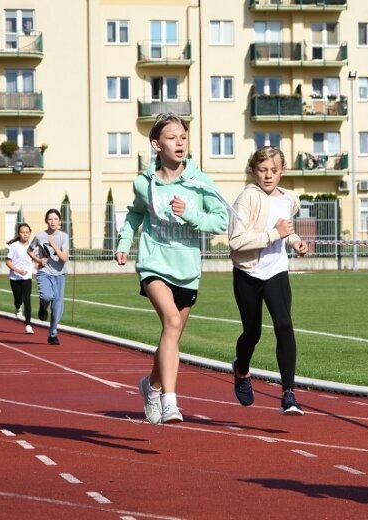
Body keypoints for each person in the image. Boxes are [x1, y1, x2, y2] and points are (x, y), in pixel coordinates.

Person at [115, 112, 229, 425]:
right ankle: (170, 400)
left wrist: (191, 214)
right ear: (156, 144)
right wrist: (125, 244)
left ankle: (150, 386)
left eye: (183, 137)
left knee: (172, 334)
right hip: (153, 263)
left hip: (187, 268)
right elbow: (135, 215)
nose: (179, 143)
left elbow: (221, 220)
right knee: (172, 321)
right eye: (171, 137)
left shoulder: (200, 181)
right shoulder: (144, 183)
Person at [228, 146, 309, 416]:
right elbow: (236, 242)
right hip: (248, 273)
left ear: (282, 171)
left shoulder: (289, 199)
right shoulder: (246, 199)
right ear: (254, 171)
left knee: (284, 325)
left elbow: (286, 230)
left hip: (276, 271)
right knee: (253, 333)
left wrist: (295, 241)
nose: (268, 175)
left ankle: (288, 394)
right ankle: (241, 369)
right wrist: (275, 234)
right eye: (262, 170)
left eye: (274, 171)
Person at [28, 209, 70, 345]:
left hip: (60, 274)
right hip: (44, 272)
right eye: (50, 219)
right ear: (46, 221)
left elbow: (64, 258)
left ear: (60, 221)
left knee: (57, 306)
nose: (53, 221)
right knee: (46, 296)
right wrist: (39, 261)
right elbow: (29, 250)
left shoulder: (63, 236)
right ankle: (43, 305)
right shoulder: (40, 236)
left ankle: (52, 334)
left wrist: (54, 246)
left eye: (55, 219)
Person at [5, 222, 35, 335]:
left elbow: (36, 259)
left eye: (27, 232)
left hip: (27, 278)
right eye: (22, 232)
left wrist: (39, 264)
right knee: (18, 299)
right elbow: (8, 262)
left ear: (30, 233)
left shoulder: (32, 246)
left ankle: (28, 325)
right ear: (19, 233)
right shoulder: (14, 246)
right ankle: (17, 307)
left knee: (27, 300)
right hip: (15, 278)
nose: (25, 234)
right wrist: (18, 271)